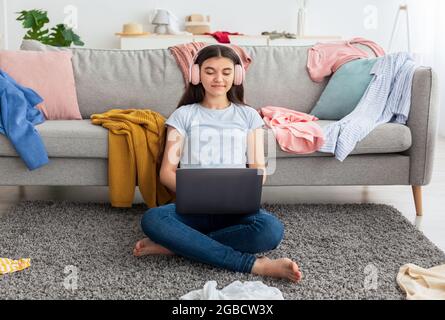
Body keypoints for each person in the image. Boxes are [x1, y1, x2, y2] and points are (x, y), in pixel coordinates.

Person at [133, 44, 302, 282]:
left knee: (270, 230)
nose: (218, 79)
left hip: (235, 209)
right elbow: (167, 173)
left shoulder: (248, 116)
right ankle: (255, 265)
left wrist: (248, 184)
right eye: (210, 71)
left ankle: (177, 245)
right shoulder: (183, 115)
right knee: (153, 220)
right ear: (196, 74)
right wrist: (201, 192)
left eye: (225, 72)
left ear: (237, 75)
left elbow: (257, 169)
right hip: (192, 209)